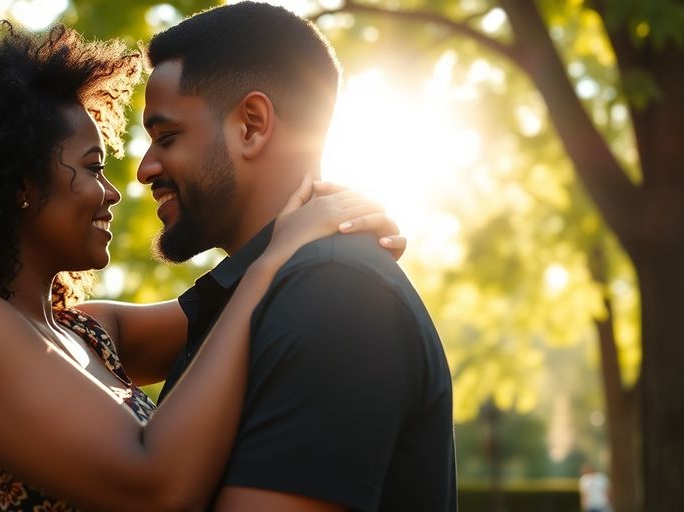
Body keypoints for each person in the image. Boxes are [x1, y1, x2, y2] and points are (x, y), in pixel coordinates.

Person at [0, 22, 404, 511]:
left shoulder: (88, 332)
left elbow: (235, 312)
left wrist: (325, 230)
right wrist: (277, 259)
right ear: (23, 184)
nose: (115, 191)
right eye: (92, 165)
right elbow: (155, 487)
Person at [134, 3, 457, 510]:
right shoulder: (266, 289)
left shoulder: (336, 294)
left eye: (166, 137)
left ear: (252, 125)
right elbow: (78, 335)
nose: (145, 169)